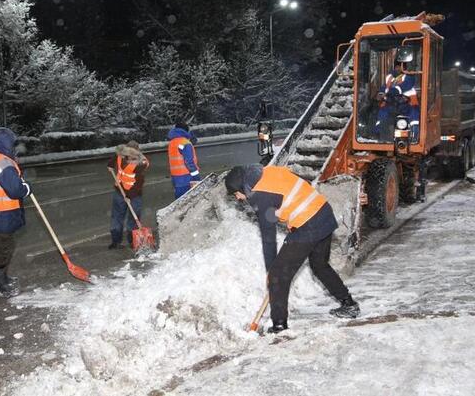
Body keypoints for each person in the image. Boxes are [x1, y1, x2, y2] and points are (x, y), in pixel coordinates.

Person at [225, 164, 360, 333]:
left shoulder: (259, 196)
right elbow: (299, 183)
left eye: (236, 193)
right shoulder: (269, 170)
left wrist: (271, 270)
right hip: (323, 213)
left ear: (242, 187)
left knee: (278, 276)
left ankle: (279, 325)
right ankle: (349, 304)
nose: (237, 198)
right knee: (320, 265)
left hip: (308, 225)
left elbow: (268, 236)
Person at [0, 127, 32, 298]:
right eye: (12, 142)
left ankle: (3, 278)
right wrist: (26, 188)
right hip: (2, 214)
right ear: (7, 143)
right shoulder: (3, 163)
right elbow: (15, 190)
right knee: (2, 249)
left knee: (2, 247)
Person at [107, 140, 150, 249]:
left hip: (134, 194)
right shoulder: (120, 156)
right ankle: (116, 241)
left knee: (131, 218)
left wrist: (129, 196)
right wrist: (110, 166)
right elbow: (111, 163)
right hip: (120, 191)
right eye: (127, 154)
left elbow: (138, 183)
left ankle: (132, 241)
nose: (129, 157)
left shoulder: (140, 165)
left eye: (132, 155)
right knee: (118, 217)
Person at [374, 48, 420, 141]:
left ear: (404, 67)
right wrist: (380, 94)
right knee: (382, 112)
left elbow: (405, 86)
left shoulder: (409, 76)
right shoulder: (389, 77)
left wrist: (393, 91)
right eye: (396, 66)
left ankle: (414, 136)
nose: (398, 68)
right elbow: (384, 87)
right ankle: (378, 133)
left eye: (400, 66)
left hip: (408, 104)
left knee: (414, 115)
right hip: (391, 104)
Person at [167, 121, 200, 199]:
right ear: (186, 131)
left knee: (179, 202)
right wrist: (196, 176)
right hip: (186, 177)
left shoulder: (172, 142)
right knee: (189, 202)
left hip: (176, 178)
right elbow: (189, 162)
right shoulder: (185, 143)